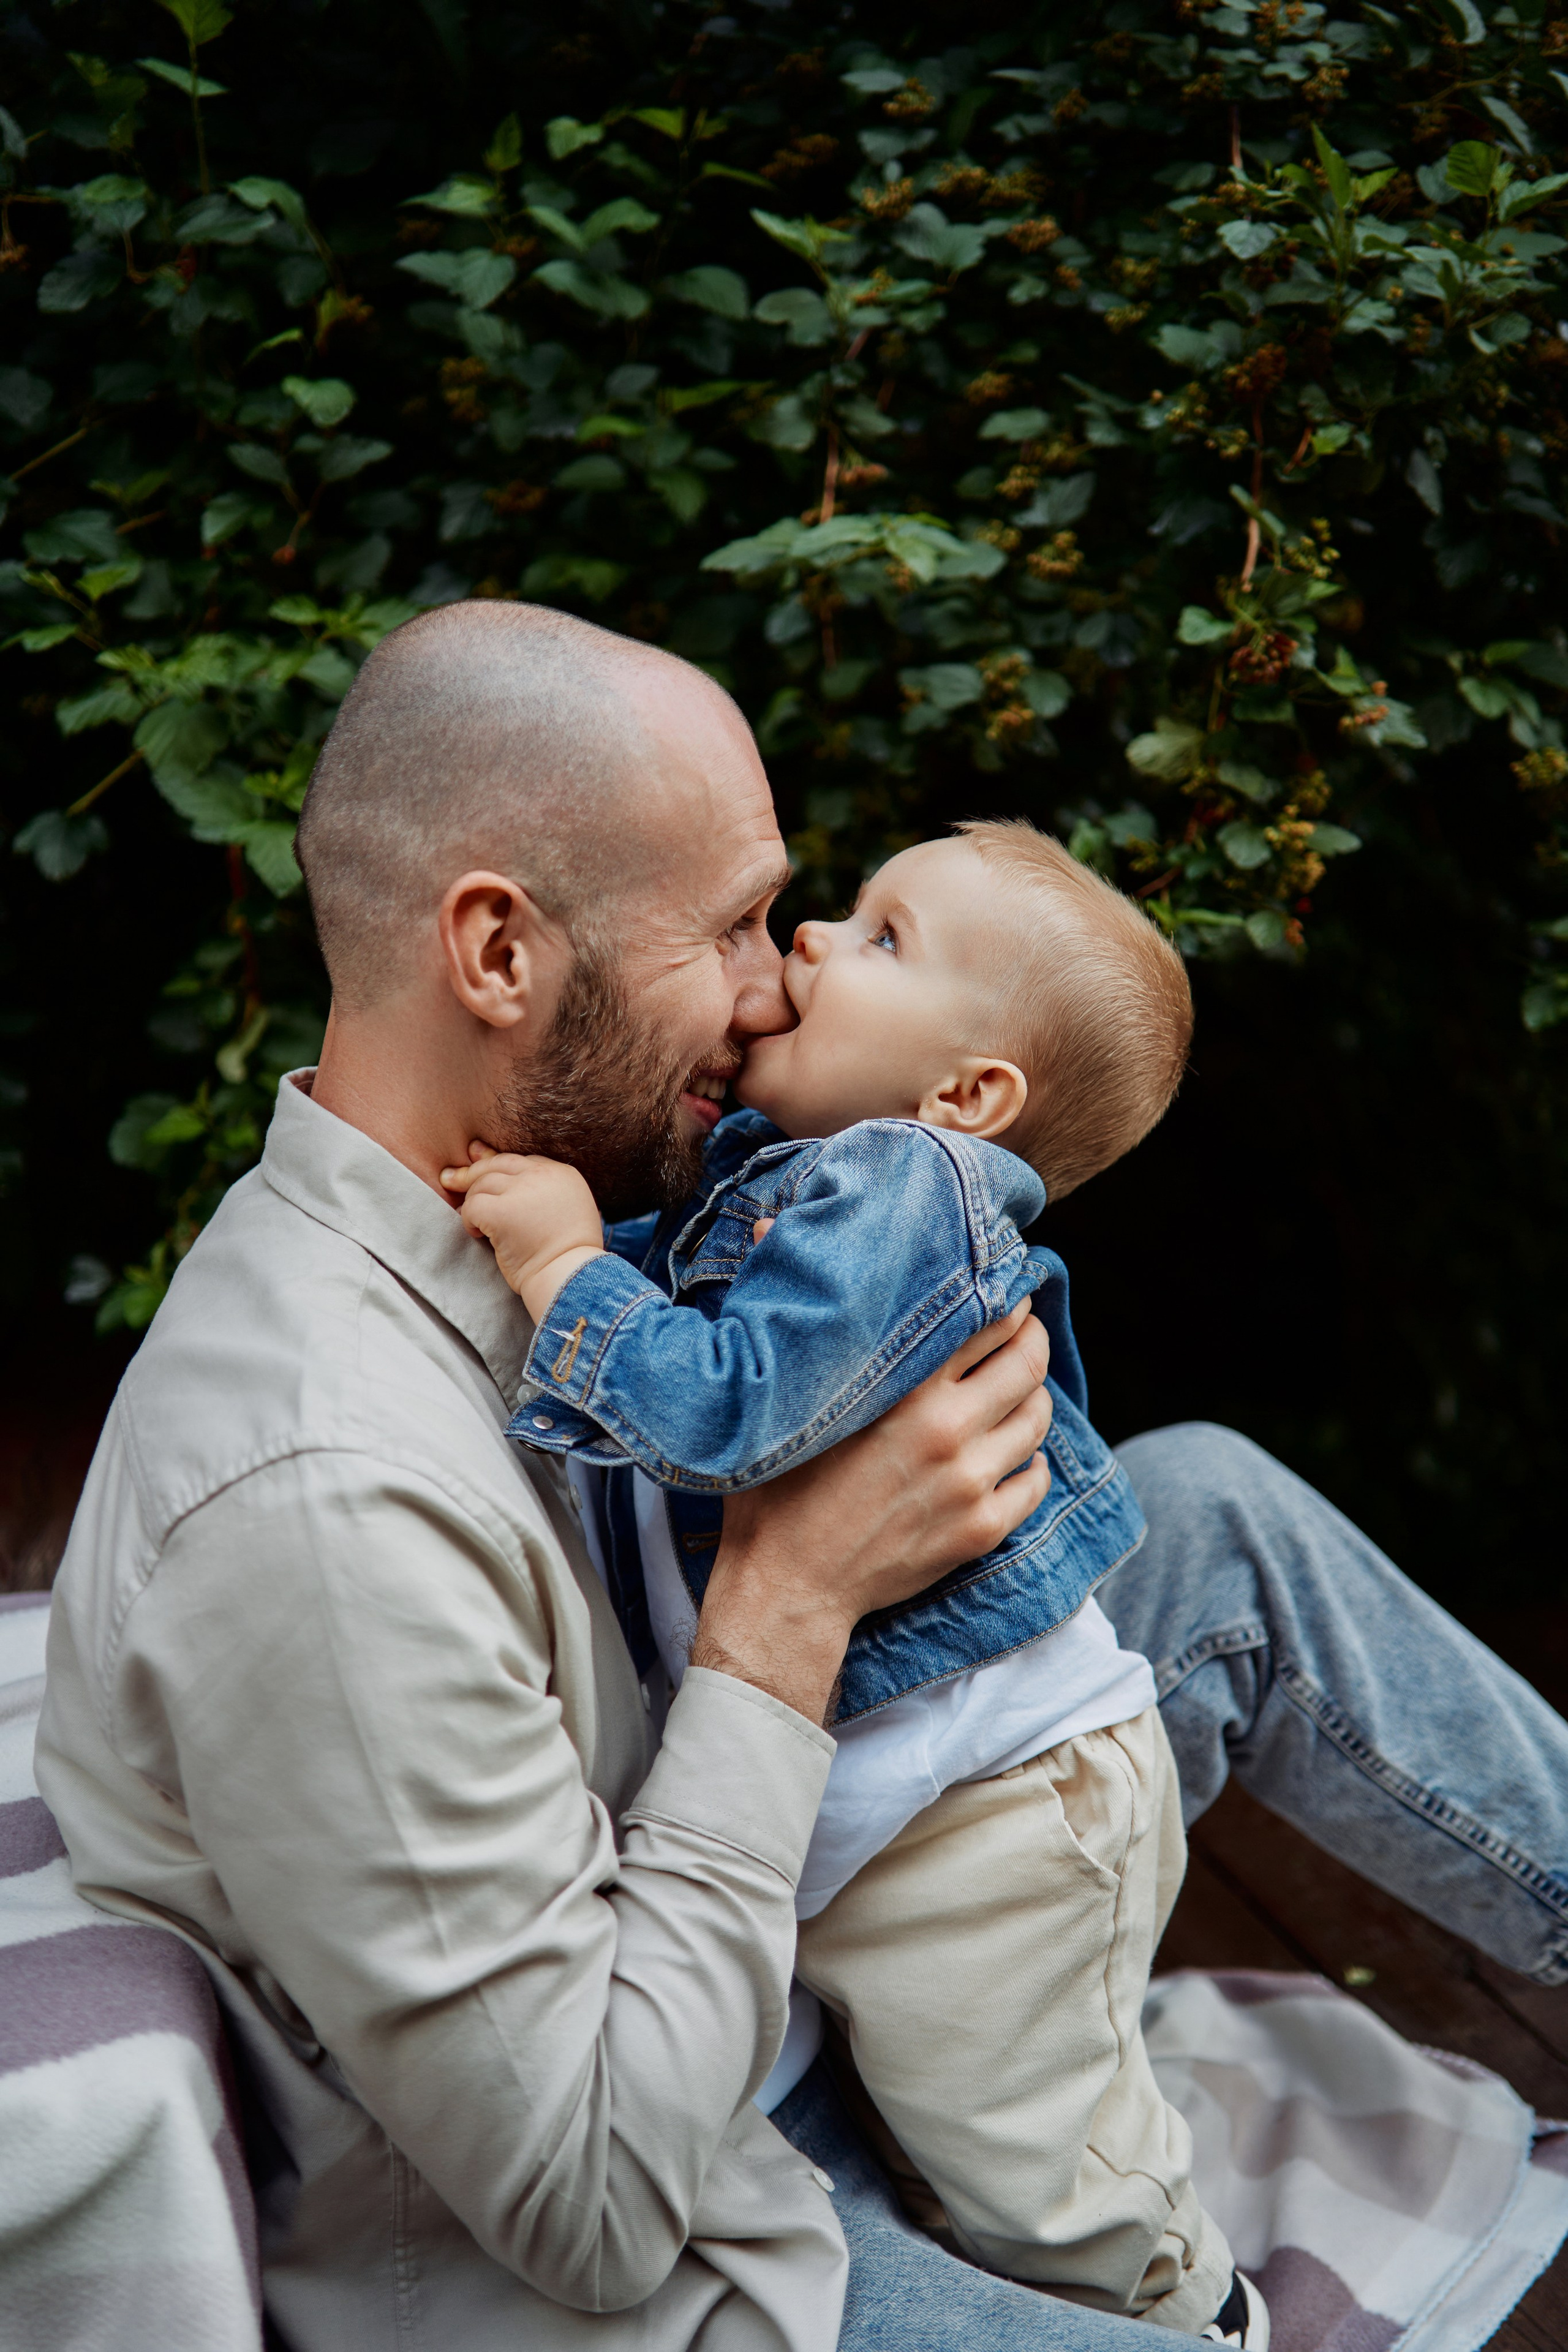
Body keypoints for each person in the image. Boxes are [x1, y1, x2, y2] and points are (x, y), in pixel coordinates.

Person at [34, 603, 1568, 2352]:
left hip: (792, 1943)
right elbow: (594, 2211)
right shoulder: (320, 1490)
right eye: (736, 927)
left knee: (1203, 1502)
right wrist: (796, 1598)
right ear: (498, 955)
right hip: (715, 2193)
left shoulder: (514, 1206)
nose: (780, 987)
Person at [443, 821, 1254, 2336]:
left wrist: (561, 1267)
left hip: (994, 1819)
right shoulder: (786, 1184)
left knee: (1051, 2174)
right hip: (930, 1805)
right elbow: (686, 1295)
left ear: (966, 1098)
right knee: (961, 2131)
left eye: (881, 937)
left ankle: (1194, 2310)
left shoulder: (904, 1185)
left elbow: (727, 1412)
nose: (809, 939)